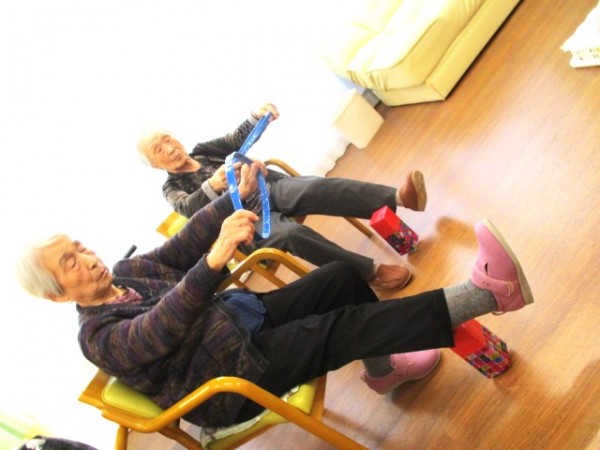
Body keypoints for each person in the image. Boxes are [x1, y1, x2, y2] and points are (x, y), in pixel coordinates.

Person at [16, 164, 534, 429]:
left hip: (239, 325)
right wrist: (213, 262)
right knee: (340, 328)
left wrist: (235, 198)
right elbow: (159, 328)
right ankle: (487, 293)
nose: (86, 257)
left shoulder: (129, 271)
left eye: (79, 247)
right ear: (58, 296)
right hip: (230, 382)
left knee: (340, 278)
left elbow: (183, 243)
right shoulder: (97, 336)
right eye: (70, 262)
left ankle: (384, 372)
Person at [137, 103, 428, 291]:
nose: (169, 148)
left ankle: (400, 198)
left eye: (167, 139)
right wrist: (213, 184)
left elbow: (234, 139)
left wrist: (256, 116)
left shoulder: (202, 151)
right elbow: (188, 208)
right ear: (156, 165)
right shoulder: (171, 188)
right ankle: (370, 272)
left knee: (313, 187)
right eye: (158, 150)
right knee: (291, 234)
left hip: (269, 188)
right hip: (250, 222)